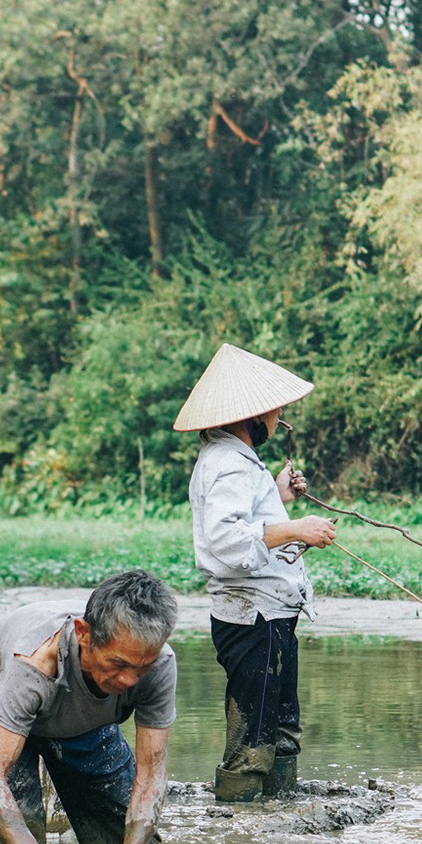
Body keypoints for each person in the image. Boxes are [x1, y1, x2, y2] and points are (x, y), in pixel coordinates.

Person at [0, 570, 180, 844]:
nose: (130, 681)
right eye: (118, 664)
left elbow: (150, 779)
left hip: (83, 709)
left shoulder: (159, 665)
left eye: (141, 668)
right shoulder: (32, 663)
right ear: (83, 634)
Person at [174, 343, 338, 802]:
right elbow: (227, 539)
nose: (280, 416)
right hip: (253, 618)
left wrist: (277, 495)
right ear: (254, 416)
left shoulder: (236, 460)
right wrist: (298, 528)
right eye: (276, 410)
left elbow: (246, 519)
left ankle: (278, 811)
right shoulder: (228, 463)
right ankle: (238, 820)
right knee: (253, 737)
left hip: (270, 614)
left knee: (280, 727)